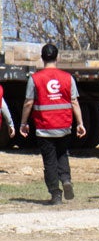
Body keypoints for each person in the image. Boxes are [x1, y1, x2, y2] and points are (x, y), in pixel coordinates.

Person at [20, 43, 86, 205]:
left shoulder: (35, 78)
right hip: (63, 125)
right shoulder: (68, 78)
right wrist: (80, 123)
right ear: (57, 58)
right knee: (62, 155)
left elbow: (29, 103)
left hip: (44, 127)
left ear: (42, 58)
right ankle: (66, 179)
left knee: (49, 160)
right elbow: (74, 102)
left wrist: (23, 123)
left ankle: (55, 194)